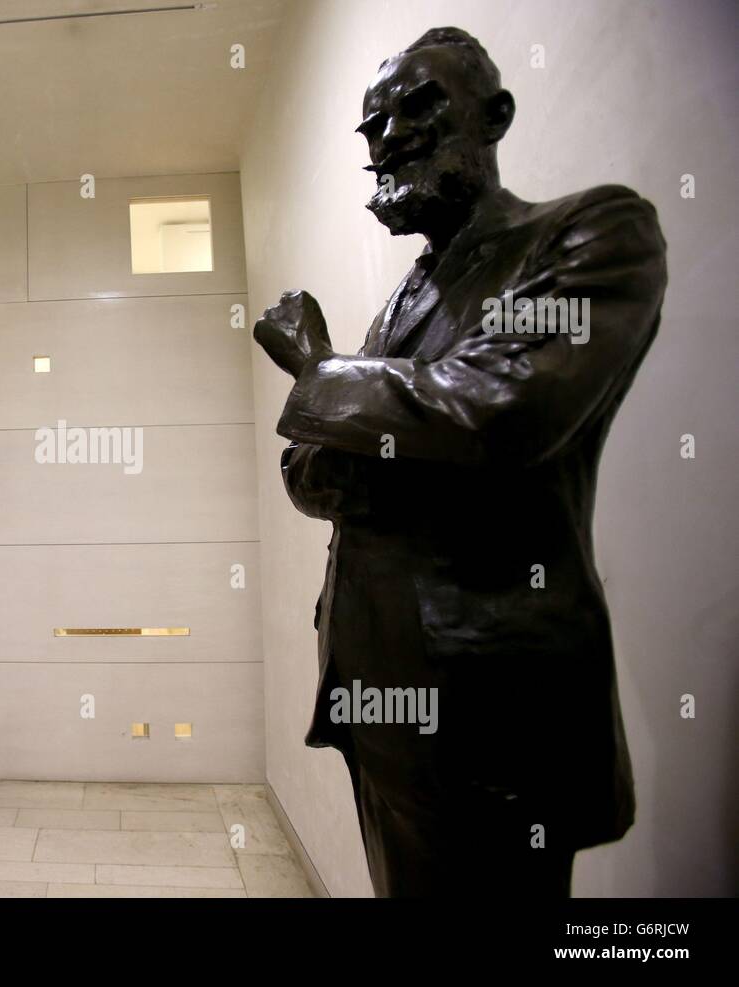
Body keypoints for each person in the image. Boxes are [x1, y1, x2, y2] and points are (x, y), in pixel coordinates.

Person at [253, 27, 665, 895]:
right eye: (373, 126)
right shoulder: (405, 304)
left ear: (496, 114)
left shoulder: (586, 235)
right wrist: (390, 415)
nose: (391, 135)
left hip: (493, 716)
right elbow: (312, 477)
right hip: (373, 697)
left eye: (420, 105)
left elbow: (495, 411)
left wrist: (319, 366)